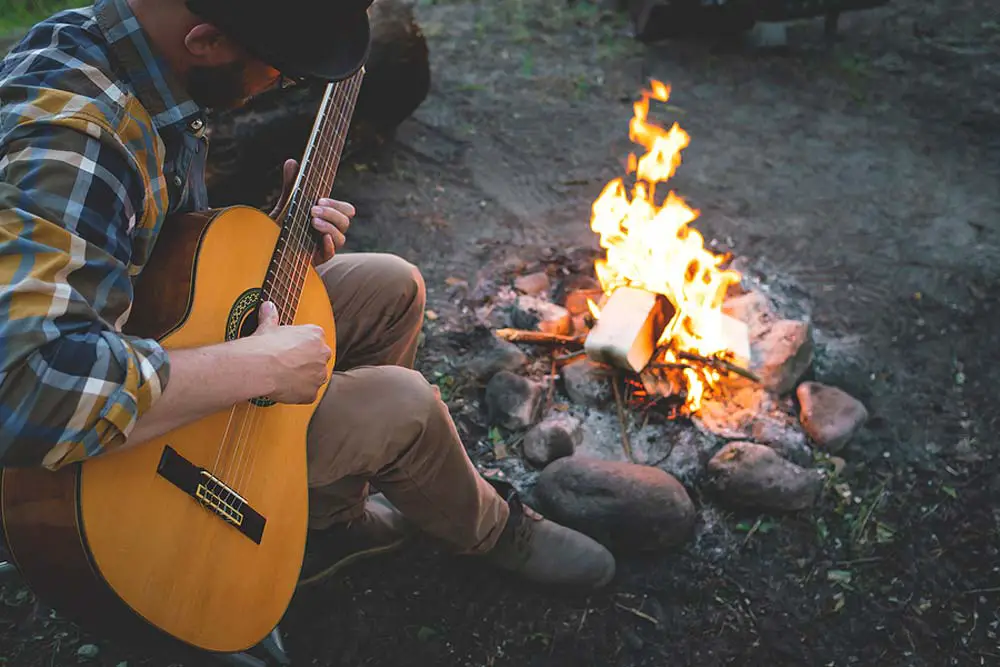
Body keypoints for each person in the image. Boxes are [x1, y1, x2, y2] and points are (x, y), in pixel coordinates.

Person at [0, 0, 615, 591]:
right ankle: (492, 533)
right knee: (406, 405)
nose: (280, 86)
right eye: (282, 70)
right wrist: (257, 366)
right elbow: (31, 390)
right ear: (207, 40)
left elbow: (139, 252)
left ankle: (327, 521)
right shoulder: (79, 141)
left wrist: (268, 235)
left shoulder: (122, 51)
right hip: (111, 466)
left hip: (144, 334)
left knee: (390, 287)